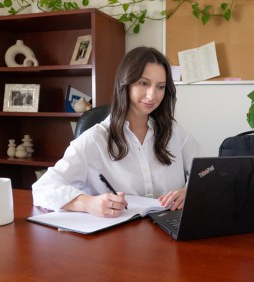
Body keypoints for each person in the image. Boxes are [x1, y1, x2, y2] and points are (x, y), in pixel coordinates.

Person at [32, 47, 204, 218]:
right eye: (143, 83)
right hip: (119, 237)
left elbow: (207, 171)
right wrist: (88, 203)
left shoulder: (173, 132)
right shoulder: (94, 140)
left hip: (171, 229)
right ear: (125, 83)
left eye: (160, 87)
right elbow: (43, 188)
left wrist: (189, 190)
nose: (152, 96)